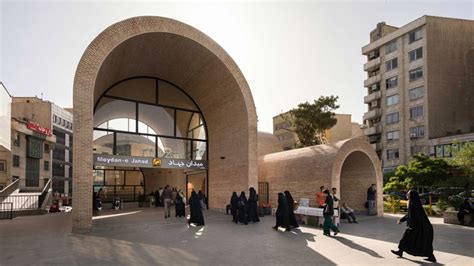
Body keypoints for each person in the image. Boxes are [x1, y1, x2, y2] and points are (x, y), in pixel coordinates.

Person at [391, 190, 436, 262]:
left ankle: (400, 251)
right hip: (419, 226)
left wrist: (411, 226)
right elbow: (409, 215)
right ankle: (400, 251)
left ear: (411, 196)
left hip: (418, 227)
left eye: (408, 194)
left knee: (408, 239)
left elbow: (414, 216)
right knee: (422, 241)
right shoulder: (413, 203)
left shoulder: (413, 204)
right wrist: (402, 220)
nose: (406, 195)